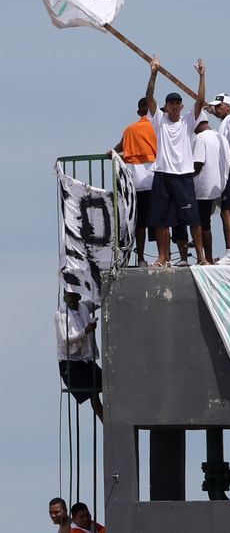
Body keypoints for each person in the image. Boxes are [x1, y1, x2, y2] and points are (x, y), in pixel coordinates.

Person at [145, 56, 208, 266]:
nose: (173, 106)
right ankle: (163, 257)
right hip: (163, 174)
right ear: (166, 107)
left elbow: (200, 102)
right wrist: (153, 73)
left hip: (183, 176)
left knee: (193, 218)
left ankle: (201, 256)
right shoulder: (159, 121)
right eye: (170, 103)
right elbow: (149, 98)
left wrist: (201, 76)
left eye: (177, 103)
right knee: (160, 219)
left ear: (181, 106)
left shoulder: (187, 121)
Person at [110, 97, 157, 267]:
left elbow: (118, 148)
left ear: (138, 112)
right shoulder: (157, 127)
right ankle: (162, 257)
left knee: (139, 224)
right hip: (155, 179)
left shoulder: (130, 130)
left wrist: (112, 153)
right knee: (160, 222)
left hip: (135, 182)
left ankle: (142, 258)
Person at [55, 291, 103, 422]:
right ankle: (107, 424)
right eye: (67, 296)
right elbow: (65, 339)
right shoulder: (60, 315)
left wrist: (105, 289)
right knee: (93, 393)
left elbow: (97, 302)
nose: (69, 299)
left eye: (73, 296)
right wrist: (85, 331)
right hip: (69, 363)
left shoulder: (83, 308)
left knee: (107, 383)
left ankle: (113, 417)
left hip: (84, 361)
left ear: (78, 297)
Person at [191, 112, 230, 263]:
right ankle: (208, 257)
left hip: (202, 186)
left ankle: (204, 258)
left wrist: (186, 176)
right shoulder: (220, 137)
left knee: (200, 223)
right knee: (206, 222)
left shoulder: (201, 138)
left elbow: (198, 163)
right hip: (219, 185)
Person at [207, 93, 230, 264]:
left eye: (220, 106)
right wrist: (211, 111)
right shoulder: (225, 121)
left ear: (228, 106)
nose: (217, 109)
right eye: (216, 107)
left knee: (227, 211)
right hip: (228, 171)